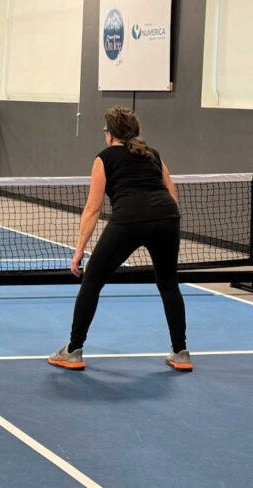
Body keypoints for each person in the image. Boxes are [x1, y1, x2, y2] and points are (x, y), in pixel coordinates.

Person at [48, 107, 191, 372]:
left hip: (129, 220)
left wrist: (79, 250)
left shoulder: (104, 158)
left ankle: (73, 350)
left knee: (92, 280)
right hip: (167, 218)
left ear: (110, 134)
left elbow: (92, 209)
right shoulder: (152, 154)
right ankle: (180, 352)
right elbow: (173, 196)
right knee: (169, 284)